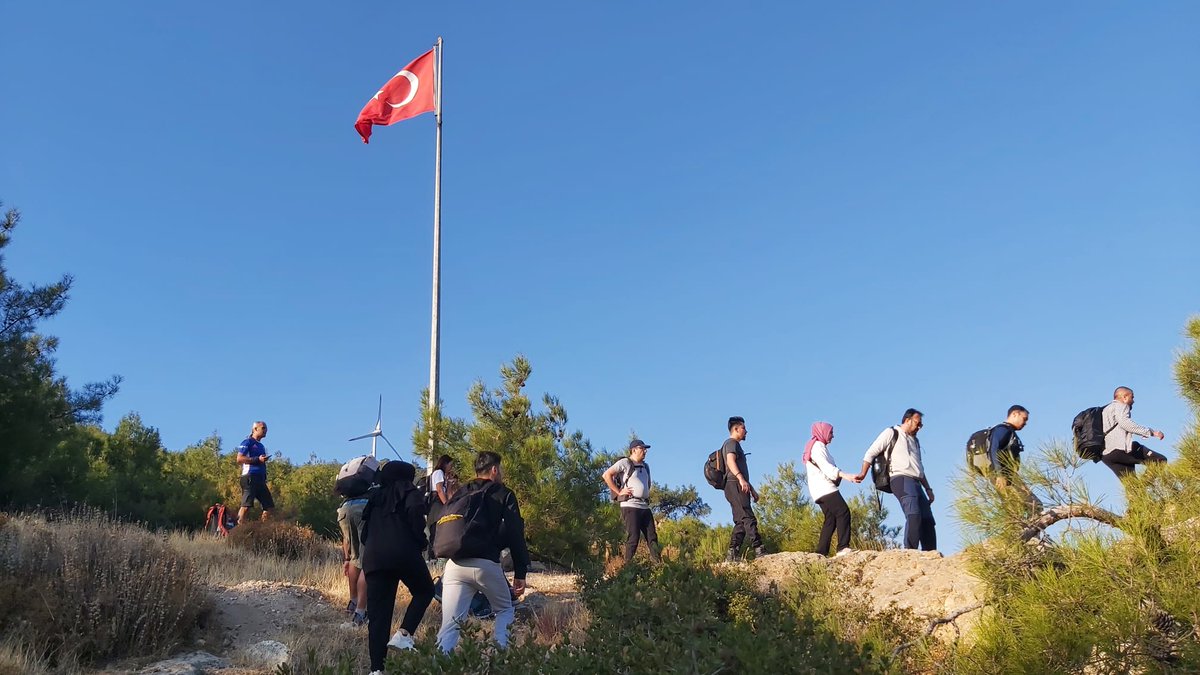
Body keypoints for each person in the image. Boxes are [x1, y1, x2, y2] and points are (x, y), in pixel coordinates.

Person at [437, 451, 530, 653]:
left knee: (451, 623)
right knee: (505, 610)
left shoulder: (462, 492)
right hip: (485, 564)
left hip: (454, 565)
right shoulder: (503, 493)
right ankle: (498, 659)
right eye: (501, 469)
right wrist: (520, 572)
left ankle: (438, 664)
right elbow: (515, 533)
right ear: (495, 469)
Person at [360, 460, 435, 675]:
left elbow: (364, 533)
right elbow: (415, 517)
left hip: (374, 559)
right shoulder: (409, 491)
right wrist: (420, 541)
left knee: (378, 617)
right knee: (424, 591)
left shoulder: (374, 498)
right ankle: (403, 634)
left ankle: (376, 669)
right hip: (403, 552)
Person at [855, 409, 936, 551]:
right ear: (907, 420)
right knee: (913, 513)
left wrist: (928, 489)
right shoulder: (891, 433)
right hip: (900, 478)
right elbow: (871, 453)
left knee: (928, 519)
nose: (919, 427)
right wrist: (863, 473)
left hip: (916, 481)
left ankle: (931, 554)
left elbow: (920, 469)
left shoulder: (915, 441)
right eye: (917, 423)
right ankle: (910, 551)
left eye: (921, 425)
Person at [804, 422, 861, 557]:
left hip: (818, 490)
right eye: (830, 432)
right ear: (822, 432)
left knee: (831, 519)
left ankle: (821, 552)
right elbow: (827, 468)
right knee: (843, 512)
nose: (833, 436)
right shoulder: (818, 446)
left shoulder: (816, 446)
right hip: (825, 488)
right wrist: (846, 476)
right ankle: (842, 547)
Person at [603, 439, 661, 564]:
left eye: (645, 449)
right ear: (634, 450)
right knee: (633, 537)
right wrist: (619, 492)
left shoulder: (646, 466)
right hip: (630, 506)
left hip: (644, 506)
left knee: (652, 537)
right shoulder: (625, 462)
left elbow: (648, 484)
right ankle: (627, 567)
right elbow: (606, 475)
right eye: (642, 449)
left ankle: (659, 565)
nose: (645, 451)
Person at [721, 416, 764, 562]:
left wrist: (751, 489)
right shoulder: (731, 443)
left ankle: (732, 553)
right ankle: (759, 549)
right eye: (744, 428)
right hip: (734, 484)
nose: (746, 431)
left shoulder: (734, 444)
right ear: (736, 429)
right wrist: (740, 479)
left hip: (735, 484)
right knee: (747, 516)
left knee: (740, 521)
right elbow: (730, 461)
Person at [1102, 387, 1168, 478]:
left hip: (1107, 456)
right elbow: (1125, 423)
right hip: (1121, 449)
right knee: (1160, 460)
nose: (1133, 401)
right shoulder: (1121, 405)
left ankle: (1140, 490)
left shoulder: (1104, 410)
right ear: (1125, 397)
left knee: (1133, 487)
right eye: (1132, 397)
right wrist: (1151, 432)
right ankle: (1144, 484)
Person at [985, 405, 1042, 511]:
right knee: (1033, 506)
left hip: (1008, 475)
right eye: (1024, 419)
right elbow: (994, 449)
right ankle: (1028, 527)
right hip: (1002, 475)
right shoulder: (1003, 430)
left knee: (1026, 507)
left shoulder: (1008, 431)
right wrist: (999, 475)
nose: (1025, 423)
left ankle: (1027, 526)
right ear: (1015, 414)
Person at [337, 487, 371, 626]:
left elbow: (346, 540)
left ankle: (353, 602)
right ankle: (361, 612)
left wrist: (346, 558)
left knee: (354, 558)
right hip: (363, 507)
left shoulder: (352, 484)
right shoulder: (373, 477)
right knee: (367, 562)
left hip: (344, 508)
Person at [236, 421, 275, 524]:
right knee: (246, 506)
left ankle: (262, 529)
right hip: (250, 477)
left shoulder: (261, 446)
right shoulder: (247, 442)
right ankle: (238, 529)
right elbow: (239, 459)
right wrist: (257, 459)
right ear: (255, 429)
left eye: (266, 428)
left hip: (260, 480)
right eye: (263, 428)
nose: (265, 430)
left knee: (269, 507)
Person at [425, 454, 459, 561]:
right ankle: (432, 558)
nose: (451, 468)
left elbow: (446, 492)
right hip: (436, 505)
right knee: (435, 531)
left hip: (439, 504)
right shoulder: (438, 473)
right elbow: (439, 490)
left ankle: (436, 557)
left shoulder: (444, 476)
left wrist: (449, 484)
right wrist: (446, 505)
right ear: (445, 463)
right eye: (450, 465)